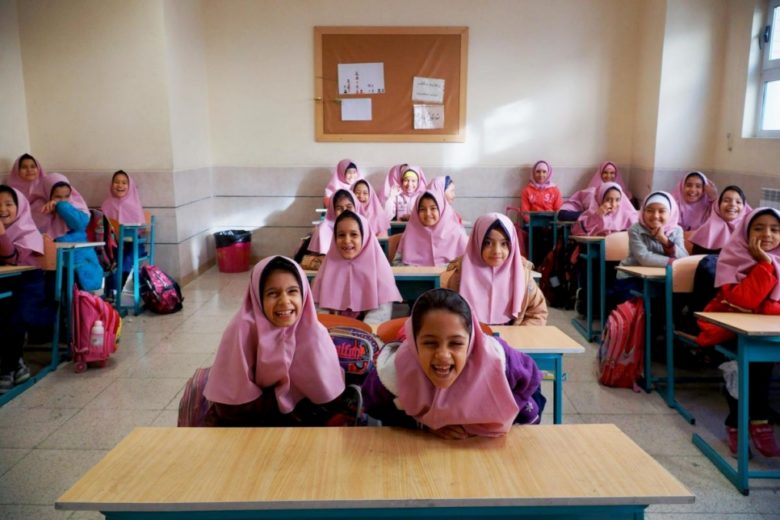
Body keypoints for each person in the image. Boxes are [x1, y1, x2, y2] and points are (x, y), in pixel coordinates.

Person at [361, 288, 544, 437]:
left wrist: (497, 418)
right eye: (430, 343)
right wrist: (421, 423)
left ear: (471, 341)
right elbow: (373, 404)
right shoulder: (397, 369)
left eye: (456, 343)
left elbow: (533, 378)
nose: (443, 355)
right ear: (413, 342)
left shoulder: (498, 360)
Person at [203, 256, 359, 426]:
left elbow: (330, 399)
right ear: (257, 297)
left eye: (292, 291)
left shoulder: (315, 333)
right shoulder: (241, 331)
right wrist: (284, 404)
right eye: (273, 293)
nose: (285, 301)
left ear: (304, 294)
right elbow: (230, 408)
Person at [695, 208, 780, 457]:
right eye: (758, 228)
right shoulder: (734, 258)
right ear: (745, 232)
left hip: (763, 335)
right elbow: (746, 299)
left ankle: (759, 423)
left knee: (762, 373)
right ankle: (736, 424)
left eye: (775, 230)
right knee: (742, 374)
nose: (767, 234)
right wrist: (764, 264)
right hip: (730, 333)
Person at [445, 213, 548, 325]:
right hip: (471, 339)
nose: (496, 251)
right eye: (488, 243)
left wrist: (518, 335)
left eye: (504, 244)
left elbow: (538, 313)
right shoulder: (460, 276)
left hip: (511, 341)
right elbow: (447, 314)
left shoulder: (523, 277)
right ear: (477, 243)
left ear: (512, 245)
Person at [312, 211, 401, 324]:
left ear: (365, 236)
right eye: (341, 235)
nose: (347, 241)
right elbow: (319, 310)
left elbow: (379, 316)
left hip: (366, 337)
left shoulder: (380, 271)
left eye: (354, 234)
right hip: (332, 334)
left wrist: (360, 337)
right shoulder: (326, 270)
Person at [0, 185, 45, 393]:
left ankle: (8, 367)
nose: (2, 209)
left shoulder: (28, 232)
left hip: (26, 289)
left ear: (19, 208)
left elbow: (12, 259)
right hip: (5, 286)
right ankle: (15, 362)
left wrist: (1, 235)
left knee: (11, 314)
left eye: (9, 204)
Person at [40, 174, 103, 291]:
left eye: (67, 196)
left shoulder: (76, 207)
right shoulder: (40, 208)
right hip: (53, 262)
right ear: (48, 195)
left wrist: (61, 206)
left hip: (80, 258)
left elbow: (80, 223)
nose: (64, 200)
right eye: (58, 197)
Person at [395, 190, 467, 266]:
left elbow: (467, 264)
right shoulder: (409, 233)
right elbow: (396, 263)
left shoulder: (457, 233)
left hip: (448, 277)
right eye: (422, 209)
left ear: (442, 209)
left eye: (433, 208)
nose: (428, 214)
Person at [572, 182, 637, 237]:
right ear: (600, 199)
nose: (613, 204)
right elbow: (576, 232)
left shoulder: (628, 215)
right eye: (608, 200)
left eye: (617, 200)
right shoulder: (590, 214)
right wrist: (597, 216)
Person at [308, 189, 357, 256]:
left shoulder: (362, 226)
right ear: (332, 210)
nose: (345, 211)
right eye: (339, 208)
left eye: (349, 207)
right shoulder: (324, 229)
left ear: (356, 207)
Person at [6, 153, 48, 230]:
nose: (29, 170)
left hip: (48, 226)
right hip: (23, 227)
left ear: (38, 169)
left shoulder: (46, 184)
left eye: (33, 166)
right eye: (24, 167)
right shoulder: (11, 191)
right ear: (17, 171)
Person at [672, 171, 718, 235]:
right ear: (682, 186)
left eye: (698, 186)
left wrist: (714, 197)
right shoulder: (672, 206)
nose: (693, 190)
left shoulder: (710, 207)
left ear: (704, 189)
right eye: (689, 185)